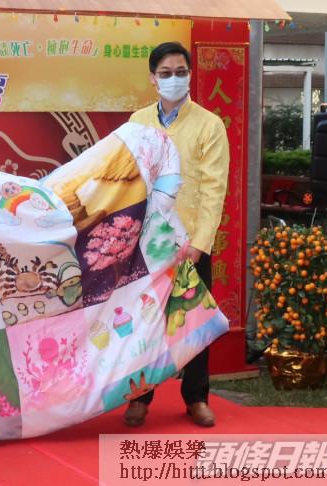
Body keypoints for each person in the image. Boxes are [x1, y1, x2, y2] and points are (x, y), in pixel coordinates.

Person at [125, 42, 230, 427]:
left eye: (180, 72)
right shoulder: (137, 121)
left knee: (194, 322)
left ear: (190, 75)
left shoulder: (209, 125)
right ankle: (139, 397)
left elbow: (214, 189)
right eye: (165, 73)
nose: (174, 79)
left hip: (190, 243)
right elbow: (127, 179)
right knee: (143, 322)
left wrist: (199, 245)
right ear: (153, 79)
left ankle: (196, 397)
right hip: (147, 241)